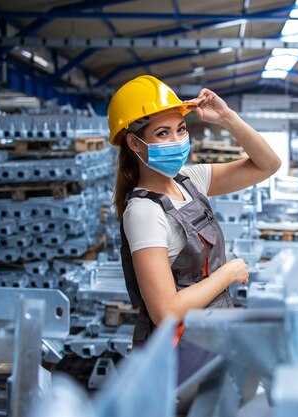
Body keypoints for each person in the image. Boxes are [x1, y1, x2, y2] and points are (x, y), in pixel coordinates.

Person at [107, 75, 281, 384]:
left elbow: (267, 164)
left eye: (181, 129)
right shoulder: (144, 212)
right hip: (181, 353)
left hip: (211, 336)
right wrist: (226, 274)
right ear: (135, 142)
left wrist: (228, 118)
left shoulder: (191, 181)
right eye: (163, 133)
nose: (177, 141)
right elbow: (165, 311)